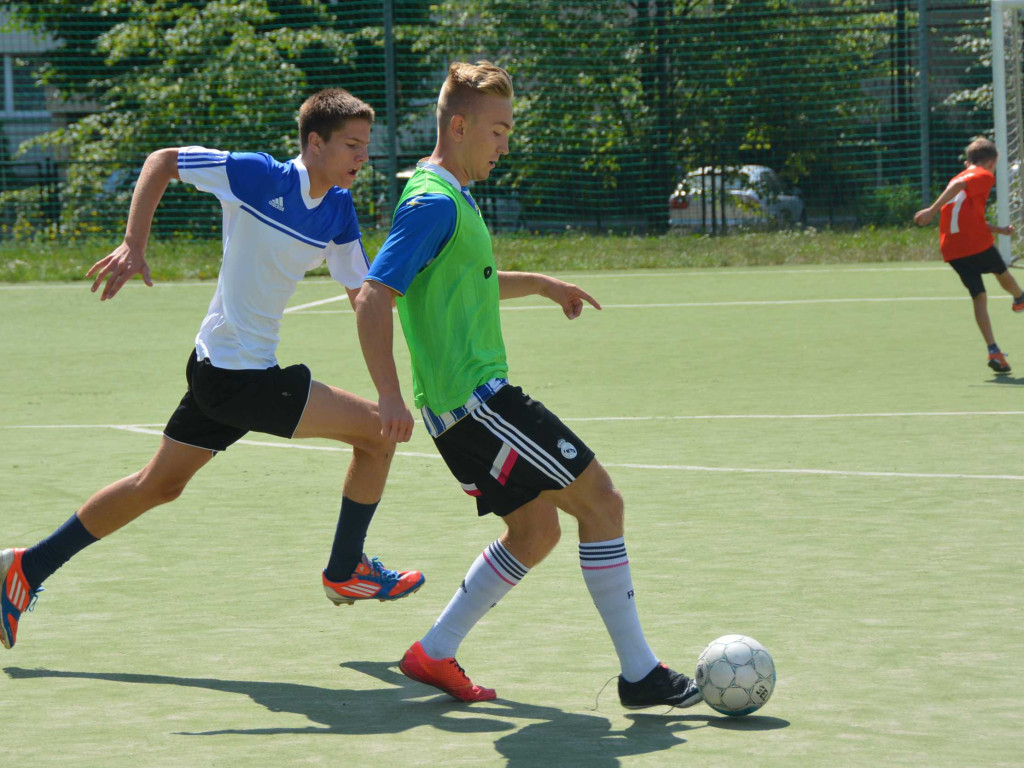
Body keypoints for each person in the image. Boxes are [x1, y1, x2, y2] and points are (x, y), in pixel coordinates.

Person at [0, 88, 425, 651]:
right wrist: (134, 244)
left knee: (159, 485)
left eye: (366, 146)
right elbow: (162, 161)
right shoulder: (257, 176)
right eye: (352, 145)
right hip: (237, 377)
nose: (362, 158)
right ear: (314, 142)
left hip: (221, 372)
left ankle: (25, 568)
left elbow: (362, 297)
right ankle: (346, 570)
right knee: (377, 434)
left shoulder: (337, 211)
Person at [353, 61, 702, 710]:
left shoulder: (448, 195)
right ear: (458, 126)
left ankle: (434, 651)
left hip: (463, 413)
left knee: (536, 532)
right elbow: (374, 297)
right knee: (603, 502)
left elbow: (466, 281)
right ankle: (640, 674)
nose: (505, 144)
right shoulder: (431, 201)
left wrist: (541, 283)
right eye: (498, 130)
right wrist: (390, 395)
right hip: (479, 406)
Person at [914, 136, 1020, 373]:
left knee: (979, 296)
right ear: (991, 162)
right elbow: (960, 187)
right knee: (1001, 271)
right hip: (974, 244)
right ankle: (1020, 298)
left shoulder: (958, 177)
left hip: (953, 249)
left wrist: (999, 230)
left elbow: (971, 218)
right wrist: (932, 210)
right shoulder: (982, 175)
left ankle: (993, 350)